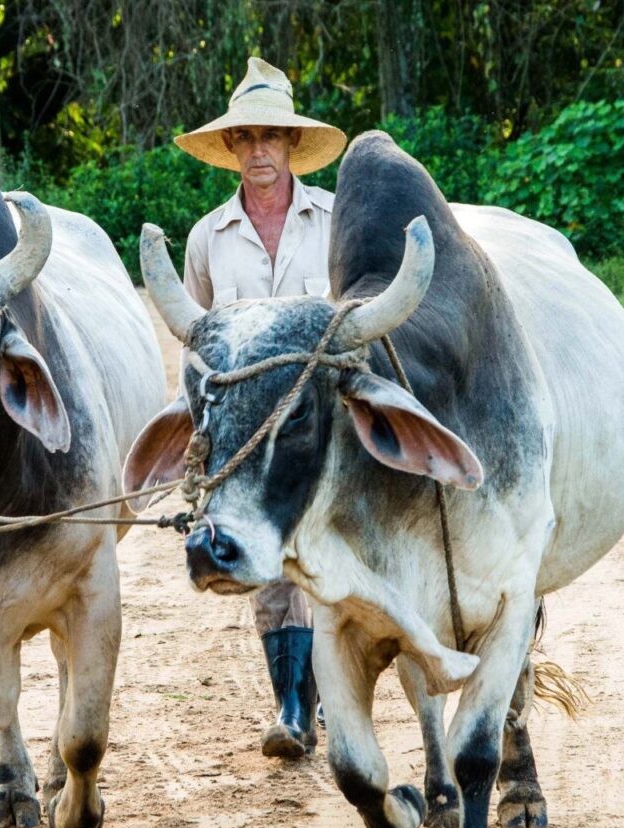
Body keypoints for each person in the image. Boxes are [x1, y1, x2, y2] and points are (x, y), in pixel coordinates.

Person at [175, 57, 346, 758]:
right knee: (265, 569)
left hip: (320, 429)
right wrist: (199, 438)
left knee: (332, 561)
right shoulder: (206, 239)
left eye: (269, 138)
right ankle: (291, 708)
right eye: (243, 139)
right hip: (247, 437)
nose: (257, 152)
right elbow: (195, 345)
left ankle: (335, 693)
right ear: (231, 151)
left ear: (291, 146)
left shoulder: (335, 221)